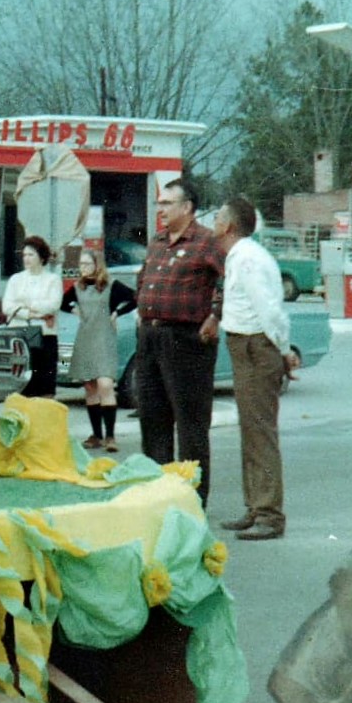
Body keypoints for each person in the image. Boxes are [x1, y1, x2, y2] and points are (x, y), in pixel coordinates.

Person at [134, 178, 225, 506]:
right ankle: (158, 497)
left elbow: (229, 278)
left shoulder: (207, 242)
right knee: (152, 419)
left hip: (186, 340)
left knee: (190, 425)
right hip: (150, 338)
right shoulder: (158, 240)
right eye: (159, 204)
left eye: (166, 204)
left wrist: (215, 315)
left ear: (187, 207)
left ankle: (191, 501)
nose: (160, 210)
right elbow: (144, 278)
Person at [214, 198, 299, 541]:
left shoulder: (247, 259)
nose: (214, 221)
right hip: (245, 344)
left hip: (256, 346)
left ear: (229, 226)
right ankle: (255, 507)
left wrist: (283, 350)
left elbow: (269, 310)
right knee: (250, 429)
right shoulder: (239, 256)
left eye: (218, 216)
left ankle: (269, 514)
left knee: (260, 431)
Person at [61, 249, 136, 451]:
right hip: (85, 338)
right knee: (90, 387)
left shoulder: (111, 285)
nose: (84, 268)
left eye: (87, 264)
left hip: (104, 339)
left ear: (97, 265)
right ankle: (96, 434)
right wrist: (74, 309)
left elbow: (133, 298)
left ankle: (111, 436)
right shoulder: (77, 287)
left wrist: (116, 313)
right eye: (81, 265)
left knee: (105, 385)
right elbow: (62, 303)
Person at [2, 235, 62, 398]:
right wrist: (29, 313)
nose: (26, 259)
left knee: (45, 384)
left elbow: (53, 305)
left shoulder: (53, 279)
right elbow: (7, 306)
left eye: (31, 255)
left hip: (45, 336)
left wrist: (25, 303)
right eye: (24, 255)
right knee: (23, 384)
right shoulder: (16, 279)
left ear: (41, 257)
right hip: (20, 335)